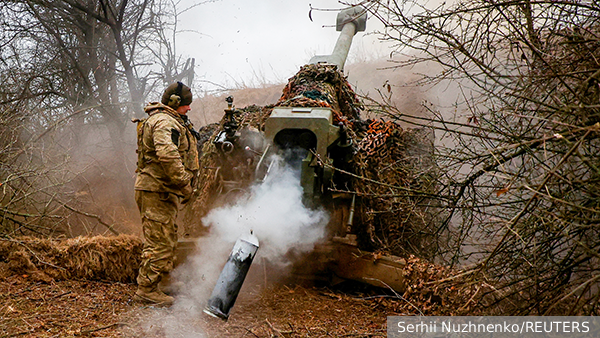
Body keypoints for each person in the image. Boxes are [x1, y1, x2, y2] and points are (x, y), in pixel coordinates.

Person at [133, 82, 199, 305]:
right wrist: (184, 184)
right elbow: (168, 156)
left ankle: (162, 281)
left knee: (168, 237)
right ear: (175, 102)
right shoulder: (164, 122)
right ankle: (147, 290)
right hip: (155, 189)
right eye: (186, 104)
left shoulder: (170, 120)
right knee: (158, 242)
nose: (189, 109)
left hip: (161, 189)